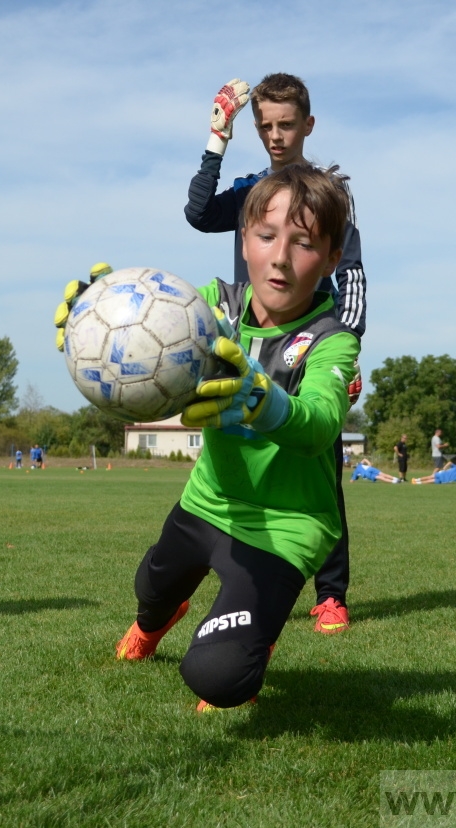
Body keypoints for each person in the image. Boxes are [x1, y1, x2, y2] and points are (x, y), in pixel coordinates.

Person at [112, 165, 359, 711]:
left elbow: (319, 423)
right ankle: (155, 623)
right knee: (150, 589)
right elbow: (153, 324)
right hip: (209, 500)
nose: (281, 257)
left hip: (286, 526)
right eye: (267, 236)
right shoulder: (211, 306)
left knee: (219, 676)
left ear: (331, 259)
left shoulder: (332, 339)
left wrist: (262, 399)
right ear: (244, 240)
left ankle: (251, 640)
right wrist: (102, 314)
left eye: (304, 243)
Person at [184, 74, 365, 635]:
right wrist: (217, 139)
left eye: (286, 124)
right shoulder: (250, 191)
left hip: (310, 345)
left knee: (319, 469)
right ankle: (235, 574)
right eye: (265, 126)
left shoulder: (329, 196)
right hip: (247, 344)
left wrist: (348, 348)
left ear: (308, 125)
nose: (275, 136)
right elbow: (197, 213)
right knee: (237, 454)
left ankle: (331, 595)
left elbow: (353, 275)